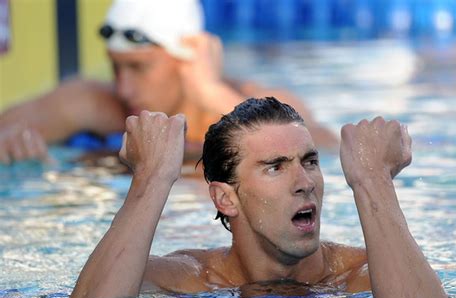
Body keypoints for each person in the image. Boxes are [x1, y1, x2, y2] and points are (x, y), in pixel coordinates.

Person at [67, 97, 450, 298]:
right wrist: (150, 180)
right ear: (225, 198)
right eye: (275, 167)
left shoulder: (362, 276)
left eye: (310, 161)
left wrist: (373, 182)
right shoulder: (190, 279)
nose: (304, 183)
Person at [0, 0, 337, 165]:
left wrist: (210, 92)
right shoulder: (98, 105)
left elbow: (329, 150)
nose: (123, 88)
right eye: (116, 68)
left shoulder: (257, 100)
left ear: (188, 59)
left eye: (139, 67)